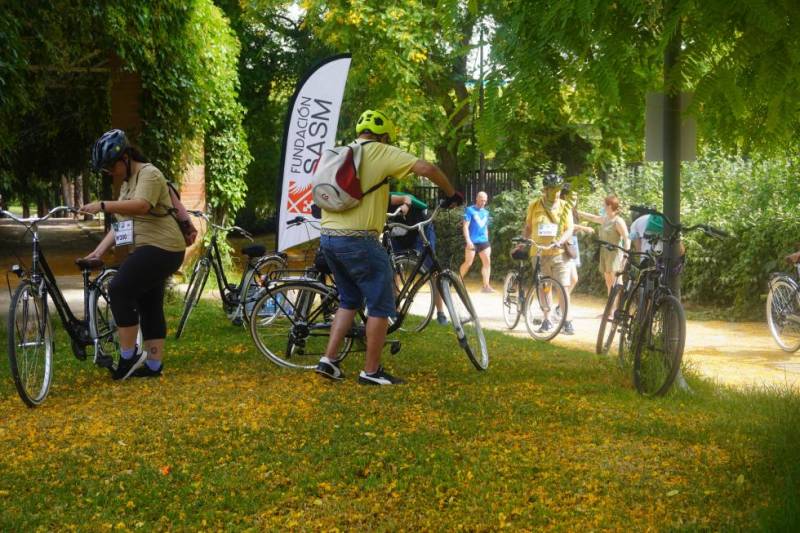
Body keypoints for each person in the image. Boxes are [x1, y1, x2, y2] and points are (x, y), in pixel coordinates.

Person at [315, 109, 461, 386]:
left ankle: (329, 360)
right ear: (383, 136)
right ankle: (371, 372)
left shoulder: (342, 152)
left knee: (349, 299)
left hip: (329, 239)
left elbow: (358, 192)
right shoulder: (379, 151)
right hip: (359, 241)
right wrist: (451, 193)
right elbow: (427, 168)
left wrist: (396, 199)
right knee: (381, 304)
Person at [80, 129, 186, 380]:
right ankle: (153, 365)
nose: (110, 173)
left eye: (110, 167)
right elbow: (123, 225)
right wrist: (98, 251)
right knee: (148, 302)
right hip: (149, 249)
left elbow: (141, 206)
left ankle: (128, 357)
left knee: (119, 289)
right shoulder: (128, 184)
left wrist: (103, 205)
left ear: (125, 158)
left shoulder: (149, 174)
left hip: (164, 247)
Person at [513, 173, 575, 335]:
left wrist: (560, 240)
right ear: (545, 190)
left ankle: (566, 321)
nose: (555, 193)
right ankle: (546, 319)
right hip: (539, 252)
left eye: (558, 190)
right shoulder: (534, 205)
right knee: (544, 287)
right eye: (552, 190)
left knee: (563, 287)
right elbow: (528, 227)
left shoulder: (564, 206)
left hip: (559, 253)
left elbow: (569, 229)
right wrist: (522, 242)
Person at [388, 191, 447, 325]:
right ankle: (397, 311)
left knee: (432, 269)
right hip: (397, 232)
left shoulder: (390, 196)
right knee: (392, 268)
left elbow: (407, 198)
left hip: (421, 228)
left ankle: (440, 312)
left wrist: (406, 205)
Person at [579, 194, 630, 297]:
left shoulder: (618, 221)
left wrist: (625, 257)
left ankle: (616, 311)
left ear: (610, 206)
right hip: (604, 253)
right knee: (608, 282)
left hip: (615, 254)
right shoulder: (605, 219)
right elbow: (592, 218)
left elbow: (626, 238)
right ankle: (609, 310)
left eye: (604, 205)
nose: (603, 206)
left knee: (616, 282)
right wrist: (577, 212)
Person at [560, 184, 594, 299]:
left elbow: (592, 217)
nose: (575, 201)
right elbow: (569, 226)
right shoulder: (561, 209)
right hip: (565, 244)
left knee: (573, 279)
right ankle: (561, 306)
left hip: (572, 243)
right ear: (564, 196)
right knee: (571, 279)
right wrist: (584, 228)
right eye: (573, 198)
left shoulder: (573, 211)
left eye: (576, 198)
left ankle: (560, 306)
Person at [459, 191, 494, 292]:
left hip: (484, 241)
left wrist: (487, 239)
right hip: (472, 241)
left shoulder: (486, 212)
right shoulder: (469, 210)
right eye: (482, 200)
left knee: (487, 263)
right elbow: (465, 226)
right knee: (468, 263)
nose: (483, 203)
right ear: (477, 199)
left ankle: (486, 286)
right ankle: (457, 281)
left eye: (485, 201)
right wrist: (468, 241)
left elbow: (485, 227)